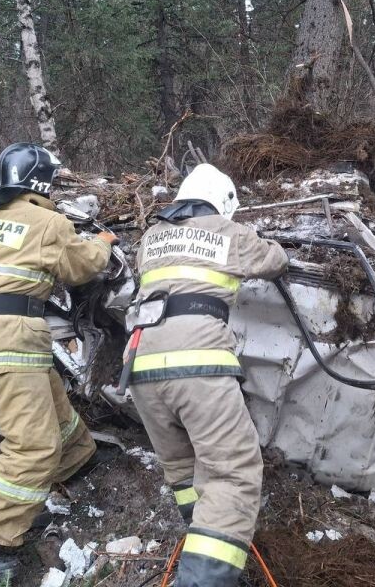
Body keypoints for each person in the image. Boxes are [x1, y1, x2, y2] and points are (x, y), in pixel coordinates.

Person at [0, 143, 117, 579]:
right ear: (41, 182)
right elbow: (81, 266)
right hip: (6, 344)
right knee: (33, 445)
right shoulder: (46, 221)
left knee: (55, 413)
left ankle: (79, 463)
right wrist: (103, 242)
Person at [127, 164, 289, 587]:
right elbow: (275, 260)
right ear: (224, 202)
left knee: (182, 467)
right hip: (196, 362)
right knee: (233, 473)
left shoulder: (151, 237)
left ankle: (203, 544)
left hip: (141, 365)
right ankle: (205, 578)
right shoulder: (226, 231)